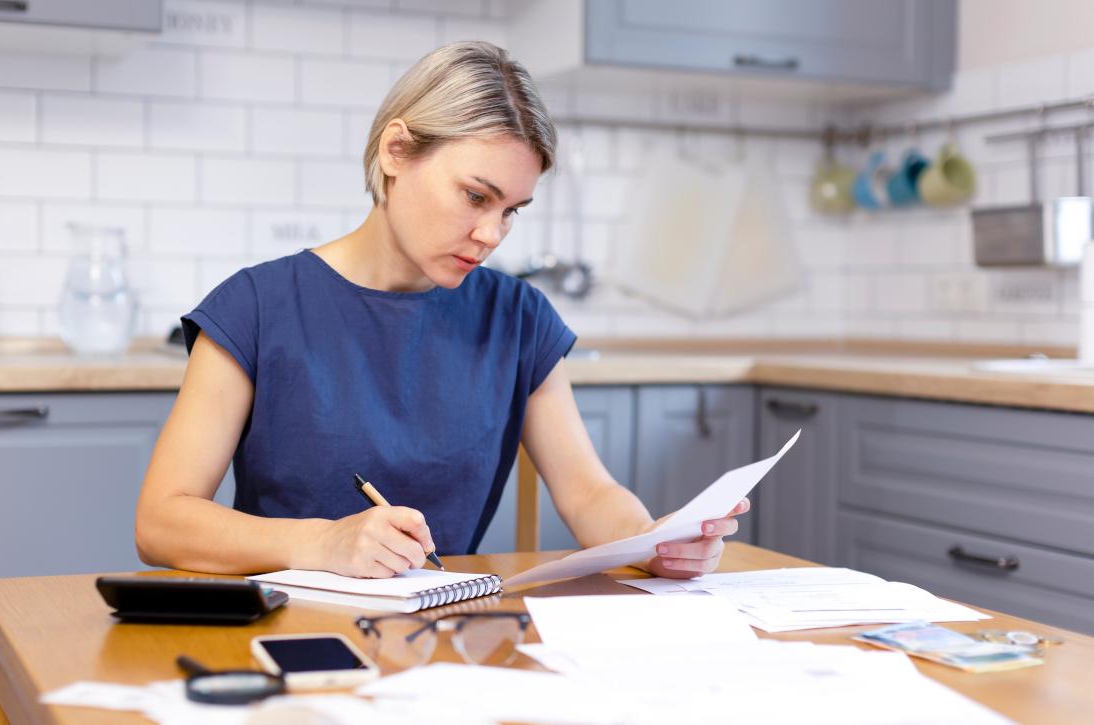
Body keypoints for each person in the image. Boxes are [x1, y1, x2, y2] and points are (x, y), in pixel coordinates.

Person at [135, 41, 749, 579]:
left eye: (511, 209)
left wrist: (654, 543)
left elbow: (589, 494)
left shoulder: (518, 318)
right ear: (397, 150)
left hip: (444, 639)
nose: (492, 234)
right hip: (285, 638)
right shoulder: (256, 307)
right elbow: (161, 521)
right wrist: (322, 541)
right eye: (475, 196)